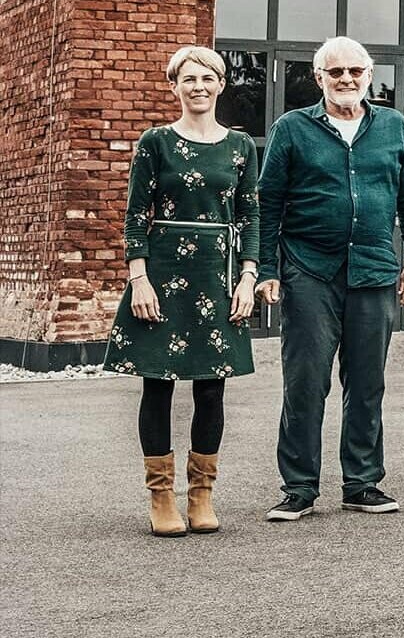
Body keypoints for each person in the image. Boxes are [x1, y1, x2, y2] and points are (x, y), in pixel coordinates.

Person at [259, 36, 404, 522]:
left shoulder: (393, 127)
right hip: (310, 271)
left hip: (374, 271)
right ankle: (298, 488)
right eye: (336, 72)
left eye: (355, 71)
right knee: (305, 382)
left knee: (367, 383)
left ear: (369, 75)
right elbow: (267, 203)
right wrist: (267, 270)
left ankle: (362, 483)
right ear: (319, 79)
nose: (346, 80)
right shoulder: (292, 128)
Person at [105, 47, 263, 536]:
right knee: (158, 383)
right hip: (162, 272)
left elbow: (250, 215)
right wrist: (139, 279)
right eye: (188, 79)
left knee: (211, 388)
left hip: (218, 274)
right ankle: (161, 499)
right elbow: (135, 216)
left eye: (207, 77)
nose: (198, 86)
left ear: (220, 85)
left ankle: (201, 496)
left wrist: (248, 277)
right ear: (174, 86)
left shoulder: (240, 147)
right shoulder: (155, 143)